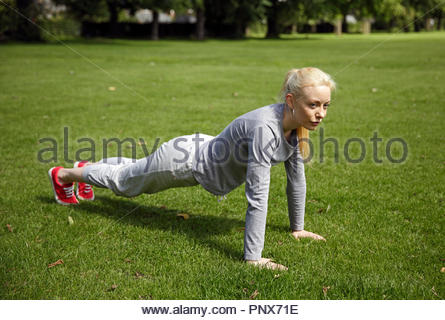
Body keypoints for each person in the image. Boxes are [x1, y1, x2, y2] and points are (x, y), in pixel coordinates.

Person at [48, 67, 336, 271]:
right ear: (290, 101)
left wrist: (297, 229)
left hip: (197, 149)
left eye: (325, 105)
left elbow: (295, 181)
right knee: (126, 183)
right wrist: (253, 258)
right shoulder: (266, 128)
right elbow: (257, 196)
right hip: (182, 163)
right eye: (313, 105)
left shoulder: (297, 127)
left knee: (134, 170)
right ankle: (64, 175)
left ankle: (88, 169)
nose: (320, 113)